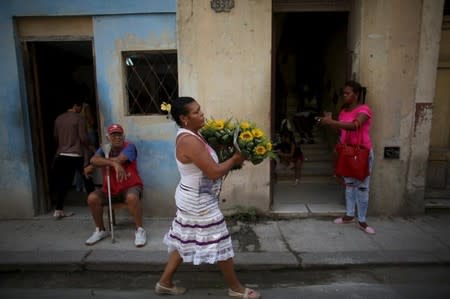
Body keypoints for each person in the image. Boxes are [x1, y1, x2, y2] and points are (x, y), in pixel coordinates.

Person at [155, 97, 261, 298]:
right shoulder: (188, 140)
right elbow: (213, 172)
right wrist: (235, 158)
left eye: (200, 109)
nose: (202, 114)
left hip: (193, 196)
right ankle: (236, 288)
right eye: (196, 112)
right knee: (219, 239)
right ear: (184, 118)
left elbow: (207, 166)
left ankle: (164, 283)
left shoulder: (195, 134)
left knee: (183, 238)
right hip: (198, 202)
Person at [317, 80, 375, 235]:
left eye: (347, 93)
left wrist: (333, 121)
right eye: (343, 93)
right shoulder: (343, 111)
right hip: (347, 152)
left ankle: (362, 220)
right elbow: (342, 131)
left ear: (356, 95)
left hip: (362, 152)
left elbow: (356, 125)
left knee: (362, 186)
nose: (344, 96)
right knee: (349, 185)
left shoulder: (364, 109)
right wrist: (329, 122)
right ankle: (349, 215)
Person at [85, 124, 147, 247]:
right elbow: (93, 159)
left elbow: (119, 159)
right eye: (114, 135)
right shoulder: (104, 149)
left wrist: (97, 164)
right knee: (92, 198)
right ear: (108, 137)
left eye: (119, 135)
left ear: (123, 136)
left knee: (132, 197)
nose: (117, 138)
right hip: (109, 189)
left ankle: (140, 230)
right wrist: (111, 165)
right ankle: (100, 230)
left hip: (130, 186)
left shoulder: (130, 147)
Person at [52, 97, 91, 219]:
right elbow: (83, 138)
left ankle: (58, 210)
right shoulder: (79, 119)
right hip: (76, 155)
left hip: (62, 155)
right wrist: (91, 147)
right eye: (79, 107)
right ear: (75, 106)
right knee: (88, 179)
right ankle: (96, 205)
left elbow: (55, 137)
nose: (80, 109)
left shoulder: (58, 119)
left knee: (63, 183)